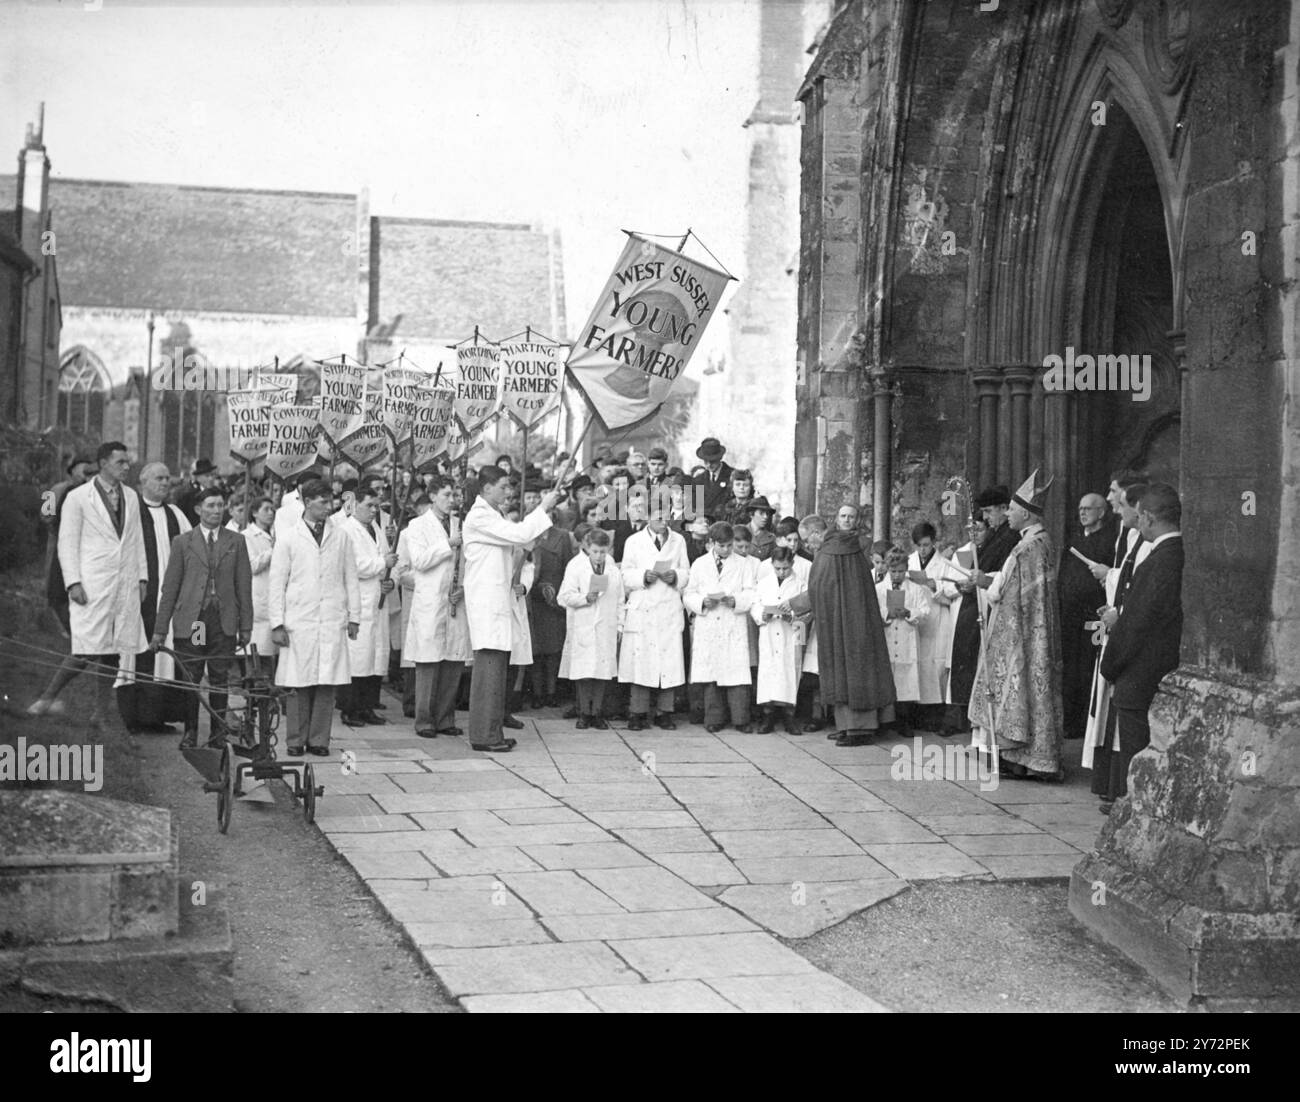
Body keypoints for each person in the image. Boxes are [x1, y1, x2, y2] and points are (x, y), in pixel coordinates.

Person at [28, 442, 149, 732]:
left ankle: (101, 714)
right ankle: (45, 700)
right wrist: (73, 582)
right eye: (120, 462)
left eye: (127, 462)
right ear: (103, 463)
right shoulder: (68, 494)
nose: (126, 467)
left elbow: (136, 539)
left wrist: (142, 577)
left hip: (122, 582)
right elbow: (61, 536)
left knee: (114, 650)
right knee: (85, 647)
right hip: (91, 580)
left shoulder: (131, 496)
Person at [969, 470, 1064, 781]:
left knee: (1018, 689)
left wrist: (987, 586)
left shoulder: (1025, 548)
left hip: (1020, 632)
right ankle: (1028, 758)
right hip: (1036, 631)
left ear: (1024, 512)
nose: (1007, 514)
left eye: (1010, 509)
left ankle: (1023, 758)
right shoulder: (1042, 542)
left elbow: (1003, 591)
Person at [463, 464, 565, 752]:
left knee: (497, 672)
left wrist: (540, 521)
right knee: (489, 672)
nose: (509, 492)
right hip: (487, 603)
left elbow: (524, 539)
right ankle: (484, 735)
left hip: (497, 602)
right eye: (504, 486)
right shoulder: (479, 516)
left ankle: (491, 730)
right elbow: (520, 535)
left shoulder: (493, 516)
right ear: (486, 489)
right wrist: (543, 507)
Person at [1095, 483, 1183, 809]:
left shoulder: (1161, 559)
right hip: (1153, 667)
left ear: (1146, 517)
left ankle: (1135, 808)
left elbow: (1138, 622)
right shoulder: (1172, 555)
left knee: (1137, 747)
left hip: (1141, 673)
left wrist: (1111, 663)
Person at [150, 486, 253, 750]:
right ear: (198, 509)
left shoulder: (236, 541)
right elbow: (170, 589)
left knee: (220, 677)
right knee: (192, 676)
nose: (216, 511)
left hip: (222, 620)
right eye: (210, 506)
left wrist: (246, 626)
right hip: (196, 622)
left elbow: (244, 586)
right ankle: (191, 732)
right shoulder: (183, 542)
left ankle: (218, 734)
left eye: (220, 506)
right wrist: (160, 630)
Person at [268, 479, 361, 757]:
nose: (328, 506)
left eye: (329, 500)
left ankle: (320, 740)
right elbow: (277, 582)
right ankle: (295, 740)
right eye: (321, 501)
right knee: (298, 682)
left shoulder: (341, 536)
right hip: (300, 619)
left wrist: (354, 617)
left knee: (326, 681)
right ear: (307, 502)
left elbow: (351, 578)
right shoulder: (289, 537)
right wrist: (277, 623)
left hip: (331, 617)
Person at [807, 503, 897, 747]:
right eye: (843, 516)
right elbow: (820, 580)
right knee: (839, 666)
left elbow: (861, 585)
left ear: (857, 520)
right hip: (835, 616)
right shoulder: (828, 545)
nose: (847, 520)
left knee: (858, 666)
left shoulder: (861, 546)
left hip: (857, 616)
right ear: (836, 518)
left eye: (851, 517)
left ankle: (861, 729)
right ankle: (845, 725)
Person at [1085, 481, 1152, 798]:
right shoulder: (1130, 537)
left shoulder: (1147, 543)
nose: (1114, 503)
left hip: (1127, 630)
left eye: (1119, 498)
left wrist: (1113, 593)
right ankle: (1108, 784)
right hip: (1114, 621)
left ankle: (1119, 788)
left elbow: (1138, 589)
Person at [116, 461, 192, 734]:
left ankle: (159, 716)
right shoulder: (131, 512)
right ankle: (135, 717)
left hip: (170, 597)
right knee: (140, 651)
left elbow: (191, 549)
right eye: (158, 478)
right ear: (143, 482)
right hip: (140, 597)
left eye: (167, 478)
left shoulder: (175, 514)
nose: (165, 483)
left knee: (167, 655)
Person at [403, 477, 471, 739]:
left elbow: (468, 562)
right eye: (446, 494)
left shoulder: (460, 524)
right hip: (430, 600)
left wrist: (462, 586)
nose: (451, 500)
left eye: (454, 494)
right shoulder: (417, 525)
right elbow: (419, 561)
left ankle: (445, 719)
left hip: (454, 599)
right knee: (429, 663)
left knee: (452, 662)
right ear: (432, 496)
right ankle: (424, 720)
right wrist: (448, 544)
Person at [619, 505, 689, 730]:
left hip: (668, 606)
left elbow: (687, 571)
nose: (664, 521)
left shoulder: (678, 540)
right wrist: (642, 576)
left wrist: (676, 576)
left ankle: (664, 712)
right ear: (647, 516)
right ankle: (637, 712)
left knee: (669, 661)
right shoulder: (634, 541)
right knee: (642, 661)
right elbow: (625, 574)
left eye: (667, 516)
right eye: (659, 517)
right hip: (645, 606)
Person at [684, 521, 756, 733]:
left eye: (729, 545)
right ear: (711, 543)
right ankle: (714, 717)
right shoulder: (699, 564)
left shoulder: (742, 564)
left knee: (736, 674)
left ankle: (741, 719)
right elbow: (689, 593)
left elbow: (751, 592)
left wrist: (736, 601)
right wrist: (701, 603)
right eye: (721, 545)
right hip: (709, 622)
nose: (726, 550)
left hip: (732, 621)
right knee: (712, 674)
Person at [1058, 493, 1117, 740]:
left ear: (1102, 512)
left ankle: (1087, 721)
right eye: (1080, 508)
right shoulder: (1073, 540)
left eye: (1088, 509)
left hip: (1095, 617)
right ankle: (1071, 721)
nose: (1082, 513)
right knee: (1071, 667)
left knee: (1090, 664)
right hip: (1071, 616)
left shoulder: (1110, 541)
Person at [338, 485, 396, 727]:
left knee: (375, 656)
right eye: (369, 506)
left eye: (376, 506)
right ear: (355, 505)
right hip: (358, 601)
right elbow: (354, 565)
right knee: (357, 658)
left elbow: (388, 562)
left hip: (377, 600)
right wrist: (382, 562)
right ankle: (350, 709)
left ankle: (368, 707)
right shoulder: (346, 530)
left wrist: (389, 580)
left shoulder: (375, 529)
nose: (374, 511)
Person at [558, 528, 624, 728]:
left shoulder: (612, 569)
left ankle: (597, 713)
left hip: (606, 625)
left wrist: (620, 625)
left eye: (603, 552)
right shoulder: (576, 566)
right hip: (583, 624)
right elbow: (563, 597)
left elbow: (620, 600)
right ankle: (584, 713)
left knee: (602, 672)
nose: (599, 556)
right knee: (584, 672)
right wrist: (584, 598)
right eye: (595, 551)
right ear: (587, 548)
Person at [877, 546, 933, 736]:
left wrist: (910, 613)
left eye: (901, 571)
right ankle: (885, 722)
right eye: (893, 571)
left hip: (907, 638)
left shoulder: (916, 590)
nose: (897, 575)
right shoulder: (879, 589)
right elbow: (874, 611)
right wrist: (887, 614)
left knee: (906, 681)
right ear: (887, 569)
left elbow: (925, 613)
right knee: (887, 679)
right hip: (888, 636)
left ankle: (904, 722)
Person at [752, 546, 807, 735]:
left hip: (791, 633)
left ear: (792, 564)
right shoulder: (764, 583)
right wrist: (762, 615)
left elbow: (807, 610)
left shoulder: (800, 584)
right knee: (769, 671)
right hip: (769, 631)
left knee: (790, 671)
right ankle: (768, 715)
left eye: (785, 568)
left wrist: (791, 615)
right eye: (777, 568)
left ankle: (789, 716)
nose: (781, 572)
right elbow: (755, 604)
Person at [528, 490, 575, 709]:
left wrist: (560, 593)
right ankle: (537, 694)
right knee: (536, 650)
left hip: (555, 599)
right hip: (534, 596)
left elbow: (568, 567)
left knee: (554, 649)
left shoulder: (563, 536)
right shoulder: (528, 536)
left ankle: (552, 692)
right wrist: (537, 589)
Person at [907, 521, 956, 729]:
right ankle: (917, 713)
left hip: (937, 618)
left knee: (935, 665)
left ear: (934, 543)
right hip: (917, 619)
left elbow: (953, 594)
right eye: (919, 545)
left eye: (926, 545)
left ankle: (936, 715)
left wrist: (936, 586)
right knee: (918, 664)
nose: (923, 549)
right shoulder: (909, 562)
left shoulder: (944, 564)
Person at [42, 453, 95, 638]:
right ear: (72, 470)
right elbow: (45, 514)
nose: (83, 472)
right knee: (56, 586)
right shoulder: (56, 489)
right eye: (81, 468)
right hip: (59, 541)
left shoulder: (92, 490)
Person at [239, 496, 277, 678]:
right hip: (257, 597)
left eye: (272, 510)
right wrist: (272, 550)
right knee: (257, 650)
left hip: (274, 596)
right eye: (266, 509)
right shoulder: (247, 536)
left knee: (272, 653)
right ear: (254, 513)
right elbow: (251, 565)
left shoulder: (275, 534)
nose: (271, 513)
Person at [692, 437, 734, 519]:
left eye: (712, 461)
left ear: (720, 458)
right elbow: (695, 508)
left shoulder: (732, 477)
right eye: (705, 461)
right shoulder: (698, 480)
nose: (709, 465)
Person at [175, 458, 222, 527]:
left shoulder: (220, 494)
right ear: (198, 478)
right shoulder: (188, 498)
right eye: (207, 476)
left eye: (212, 475)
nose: (211, 478)